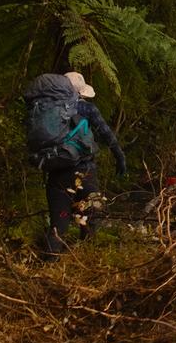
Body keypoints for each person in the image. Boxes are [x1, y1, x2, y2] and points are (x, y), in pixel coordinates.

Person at [35, 71, 126, 256]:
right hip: (85, 173)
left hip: (57, 175)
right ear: (81, 92)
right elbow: (106, 134)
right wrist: (120, 157)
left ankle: (47, 267)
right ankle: (87, 262)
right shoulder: (87, 108)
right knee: (90, 218)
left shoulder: (46, 110)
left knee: (58, 225)